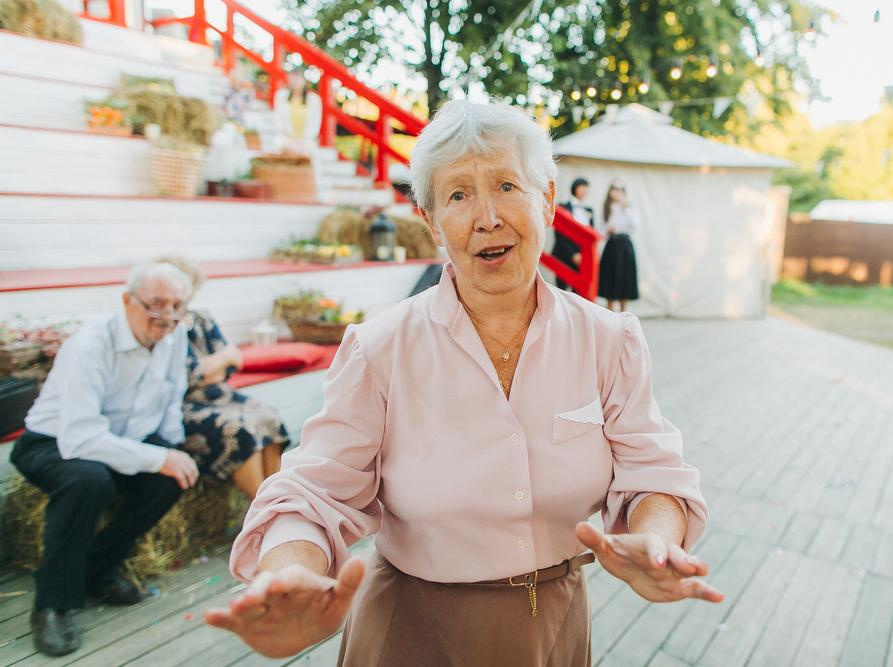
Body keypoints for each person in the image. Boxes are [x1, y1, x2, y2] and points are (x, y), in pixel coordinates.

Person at [205, 100, 721, 665]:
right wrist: (290, 575)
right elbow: (313, 491)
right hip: (411, 627)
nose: (487, 218)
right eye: (457, 195)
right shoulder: (380, 346)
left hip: (552, 623)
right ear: (431, 223)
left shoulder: (608, 340)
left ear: (546, 200)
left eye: (506, 186)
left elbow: (653, 471)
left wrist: (657, 537)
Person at [9, 262, 199, 657]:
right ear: (127, 300)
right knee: (87, 480)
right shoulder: (90, 344)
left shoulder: (175, 337)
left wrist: (171, 450)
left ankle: (94, 571)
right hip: (52, 442)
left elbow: (171, 394)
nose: (168, 317)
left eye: (178, 306)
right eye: (157, 304)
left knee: (170, 477)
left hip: (117, 441)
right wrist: (156, 455)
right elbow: (79, 438)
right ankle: (52, 604)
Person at [158, 256, 290, 499]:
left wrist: (208, 369)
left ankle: (279, 501)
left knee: (268, 416)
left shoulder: (202, 319)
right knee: (238, 429)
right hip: (186, 405)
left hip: (222, 396)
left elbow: (234, 362)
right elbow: (183, 376)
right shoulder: (164, 325)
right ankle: (260, 506)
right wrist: (217, 364)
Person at [598, 181, 641, 312]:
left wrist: (625, 207)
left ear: (623, 191)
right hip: (612, 245)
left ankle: (624, 314)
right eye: (614, 189)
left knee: (625, 281)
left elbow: (635, 226)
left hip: (625, 246)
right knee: (610, 281)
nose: (616, 192)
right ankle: (609, 312)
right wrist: (608, 230)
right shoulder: (607, 207)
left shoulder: (630, 206)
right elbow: (601, 231)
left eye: (620, 189)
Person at [551, 177, 595, 290]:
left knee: (578, 290)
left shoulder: (589, 210)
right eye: (582, 187)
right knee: (561, 289)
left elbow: (591, 235)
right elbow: (559, 233)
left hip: (582, 257)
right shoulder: (563, 207)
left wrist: (583, 255)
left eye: (586, 188)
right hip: (564, 254)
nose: (584, 190)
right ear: (575, 188)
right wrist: (573, 254)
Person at [273, 68, 323, 156]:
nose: (294, 82)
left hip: (306, 141)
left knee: (305, 152)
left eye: (297, 79)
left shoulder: (314, 99)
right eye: (292, 79)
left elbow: (315, 124)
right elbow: (279, 120)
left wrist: (302, 141)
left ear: (304, 80)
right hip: (286, 139)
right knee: (284, 148)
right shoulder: (280, 96)